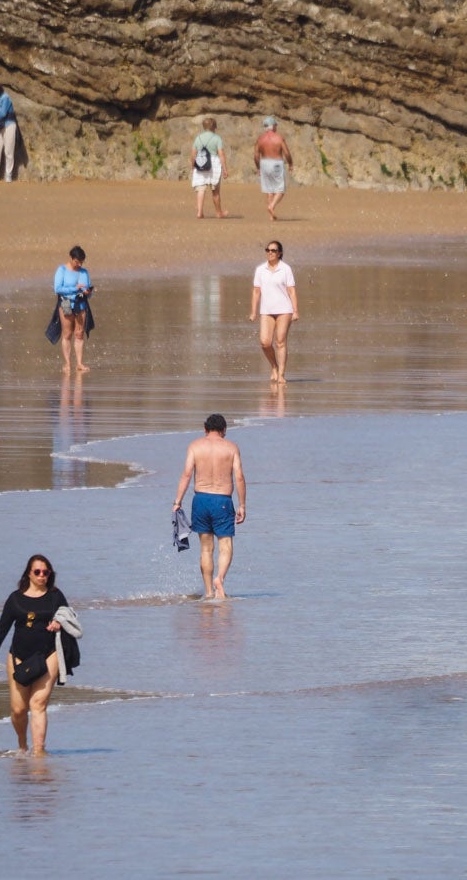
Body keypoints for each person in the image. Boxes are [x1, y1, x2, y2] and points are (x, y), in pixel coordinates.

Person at [0, 554, 72, 755]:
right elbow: (2, 627)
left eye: (46, 572)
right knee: (18, 709)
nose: (41, 575)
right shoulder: (15, 599)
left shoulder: (56, 595)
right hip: (18, 656)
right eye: (37, 571)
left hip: (49, 654)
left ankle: (39, 752)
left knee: (38, 703)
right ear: (28, 573)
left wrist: (59, 622)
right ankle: (22, 744)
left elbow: (68, 616)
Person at [172, 414, 247, 600]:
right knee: (226, 545)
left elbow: (186, 474)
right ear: (224, 431)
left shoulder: (195, 446)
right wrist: (242, 504)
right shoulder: (231, 448)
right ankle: (219, 579)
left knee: (206, 549)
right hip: (222, 501)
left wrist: (177, 501)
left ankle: (208, 592)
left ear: (205, 429)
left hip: (201, 500)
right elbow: (239, 477)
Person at [248, 239, 298, 384]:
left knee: (280, 341)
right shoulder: (260, 270)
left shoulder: (285, 269)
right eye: (268, 250)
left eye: (273, 250)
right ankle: (274, 366)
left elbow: (291, 290)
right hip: (267, 311)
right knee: (265, 342)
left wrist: (295, 311)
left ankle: (281, 374)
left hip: (284, 310)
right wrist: (253, 311)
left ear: (279, 253)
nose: (270, 253)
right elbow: (256, 291)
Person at [54, 245, 95, 373]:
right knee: (67, 334)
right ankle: (67, 364)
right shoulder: (62, 270)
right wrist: (74, 289)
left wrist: (88, 292)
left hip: (81, 303)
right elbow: (57, 289)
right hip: (66, 302)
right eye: (77, 262)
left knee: (79, 333)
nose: (79, 264)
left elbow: (87, 290)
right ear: (71, 258)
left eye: (81, 262)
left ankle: (79, 363)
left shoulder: (84, 272)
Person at [253, 117, 294, 221]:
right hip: (276, 163)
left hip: (264, 163)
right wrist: (290, 164)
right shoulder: (279, 138)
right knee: (280, 190)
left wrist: (258, 167)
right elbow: (286, 153)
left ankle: (271, 216)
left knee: (269, 190)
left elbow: (256, 156)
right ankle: (271, 206)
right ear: (273, 126)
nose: (276, 127)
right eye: (276, 125)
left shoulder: (260, 139)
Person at [190, 117, 228, 219]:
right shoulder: (217, 138)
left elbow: (193, 154)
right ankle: (218, 213)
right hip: (214, 163)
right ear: (214, 126)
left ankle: (199, 212)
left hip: (201, 161)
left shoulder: (198, 138)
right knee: (215, 191)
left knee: (200, 188)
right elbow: (221, 154)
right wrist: (225, 169)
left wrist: (192, 166)